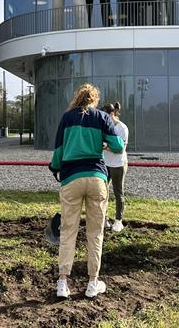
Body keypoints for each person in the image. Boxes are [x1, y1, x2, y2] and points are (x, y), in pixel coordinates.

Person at [49, 84, 124, 300]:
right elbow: (118, 146)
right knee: (95, 232)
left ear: (78, 98)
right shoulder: (102, 117)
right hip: (96, 178)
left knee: (68, 231)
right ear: (94, 100)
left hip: (71, 178)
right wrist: (103, 145)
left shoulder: (67, 118)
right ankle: (93, 282)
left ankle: (63, 282)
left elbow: (58, 152)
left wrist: (55, 168)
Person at [101, 102, 129, 233]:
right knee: (103, 192)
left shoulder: (122, 128)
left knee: (118, 192)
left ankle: (118, 220)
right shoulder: (105, 126)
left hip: (118, 164)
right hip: (105, 163)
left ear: (112, 114)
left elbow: (120, 150)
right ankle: (104, 218)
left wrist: (106, 147)